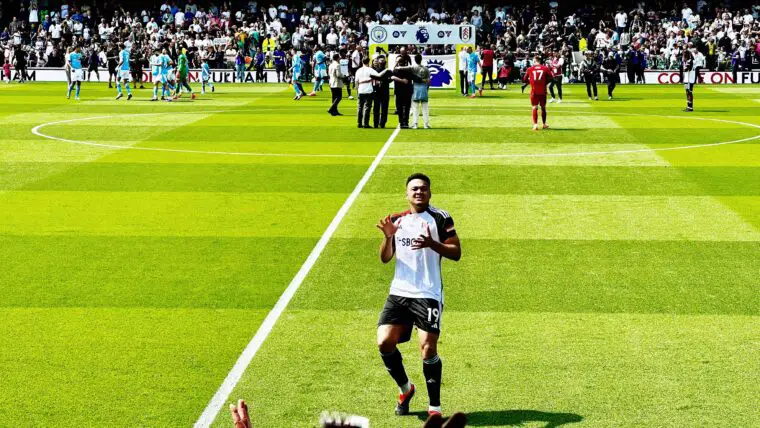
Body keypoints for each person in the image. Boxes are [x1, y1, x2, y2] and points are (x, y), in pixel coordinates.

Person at [376, 172, 461, 418]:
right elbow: (384, 258)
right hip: (399, 292)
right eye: (414, 189)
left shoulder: (440, 218)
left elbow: (456, 252)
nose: (419, 192)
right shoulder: (396, 220)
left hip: (428, 292)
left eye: (423, 189)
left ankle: (434, 407)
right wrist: (388, 236)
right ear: (407, 194)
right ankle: (406, 388)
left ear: (429, 193)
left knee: (428, 349)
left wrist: (431, 244)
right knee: (384, 342)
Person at [522, 54, 553, 131]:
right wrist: (544, 82)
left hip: (534, 91)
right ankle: (544, 124)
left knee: (534, 107)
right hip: (543, 91)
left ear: (535, 60)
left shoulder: (530, 69)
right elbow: (551, 78)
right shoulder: (545, 68)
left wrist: (531, 81)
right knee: (543, 108)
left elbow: (524, 79)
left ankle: (535, 125)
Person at [354, 56, 382, 128]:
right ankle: (366, 123)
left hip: (361, 90)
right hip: (369, 90)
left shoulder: (358, 70)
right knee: (367, 107)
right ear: (368, 62)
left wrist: (357, 90)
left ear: (362, 62)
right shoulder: (370, 70)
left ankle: (359, 123)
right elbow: (378, 75)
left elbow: (356, 82)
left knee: (360, 107)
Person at [410, 54, 431, 129]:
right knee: (425, 108)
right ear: (421, 59)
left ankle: (415, 124)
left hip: (415, 89)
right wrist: (426, 88)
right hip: (424, 89)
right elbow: (429, 81)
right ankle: (426, 124)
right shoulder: (426, 69)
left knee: (415, 108)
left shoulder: (413, 68)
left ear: (415, 60)